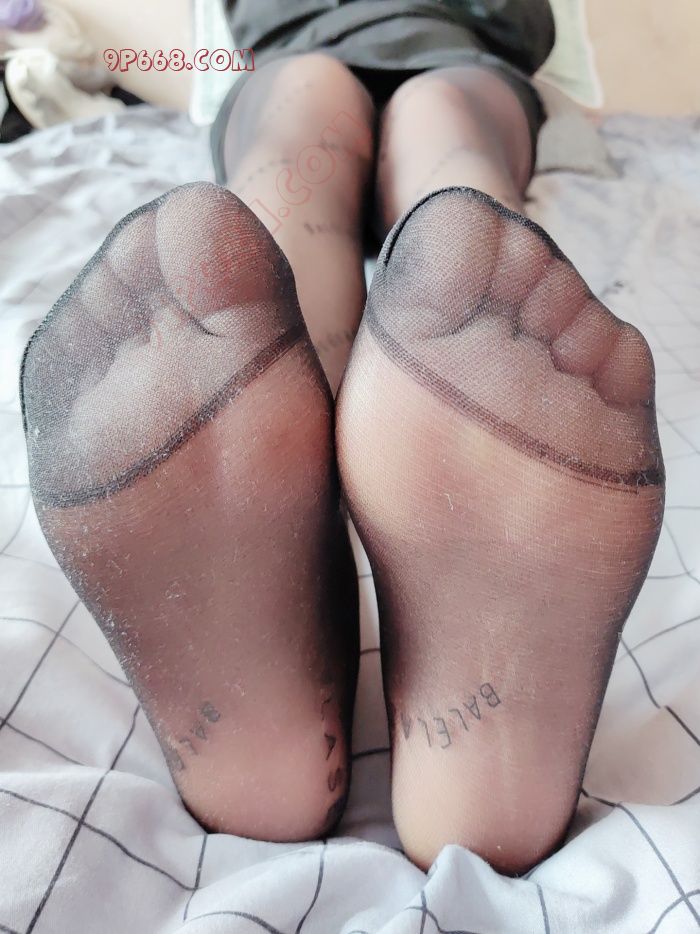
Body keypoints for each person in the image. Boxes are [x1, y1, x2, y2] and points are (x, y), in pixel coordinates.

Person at [19, 0, 664, 875]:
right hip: (449, 58)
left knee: (297, 173)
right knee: (452, 157)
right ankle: (471, 757)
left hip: (309, 55)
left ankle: (274, 473)